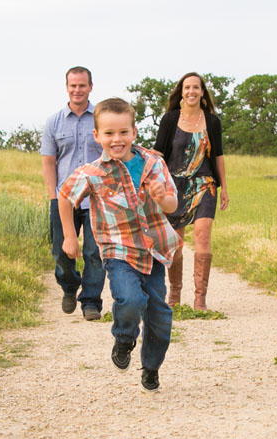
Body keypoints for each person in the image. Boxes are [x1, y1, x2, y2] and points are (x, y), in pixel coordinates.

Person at [58, 97, 180, 392]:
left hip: (153, 251)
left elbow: (172, 205)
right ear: (97, 136)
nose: (117, 139)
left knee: (160, 316)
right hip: (118, 249)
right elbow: (65, 196)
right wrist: (70, 236)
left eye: (123, 132)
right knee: (130, 300)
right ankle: (124, 338)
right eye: (109, 133)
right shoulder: (93, 172)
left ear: (134, 132)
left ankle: (151, 366)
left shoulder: (153, 163)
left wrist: (162, 196)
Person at [152, 72, 229, 311]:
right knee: (175, 243)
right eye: (187, 88)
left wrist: (224, 187)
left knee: (203, 236)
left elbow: (218, 156)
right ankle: (174, 296)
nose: (191, 92)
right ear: (181, 92)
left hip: (204, 184)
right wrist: (155, 185)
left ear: (202, 92)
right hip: (174, 187)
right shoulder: (170, 119)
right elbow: (158, 155)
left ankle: (200, 299)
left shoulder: (213, 122)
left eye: (196, 87)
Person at [41, 66, 106, 321]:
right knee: (60, 250)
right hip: (63, 198)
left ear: (90, 87)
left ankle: (91, 301)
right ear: (67, 87)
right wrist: (52, 196)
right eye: (73, 85)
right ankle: (69, 285)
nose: (77, 90)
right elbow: (49, 162)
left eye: (82, 85)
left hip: (97, 198)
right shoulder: (54, 122)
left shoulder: (101, 118)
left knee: (94, 252)